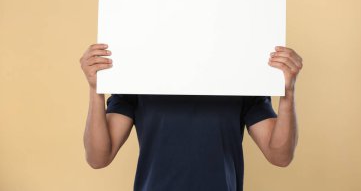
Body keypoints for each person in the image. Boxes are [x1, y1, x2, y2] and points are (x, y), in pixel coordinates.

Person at [80, 43, 303, 191]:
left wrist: (288, 92)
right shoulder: (140, 77)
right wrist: (95, 89)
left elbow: (280, 156)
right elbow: (99, 157)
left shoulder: (240, 78)